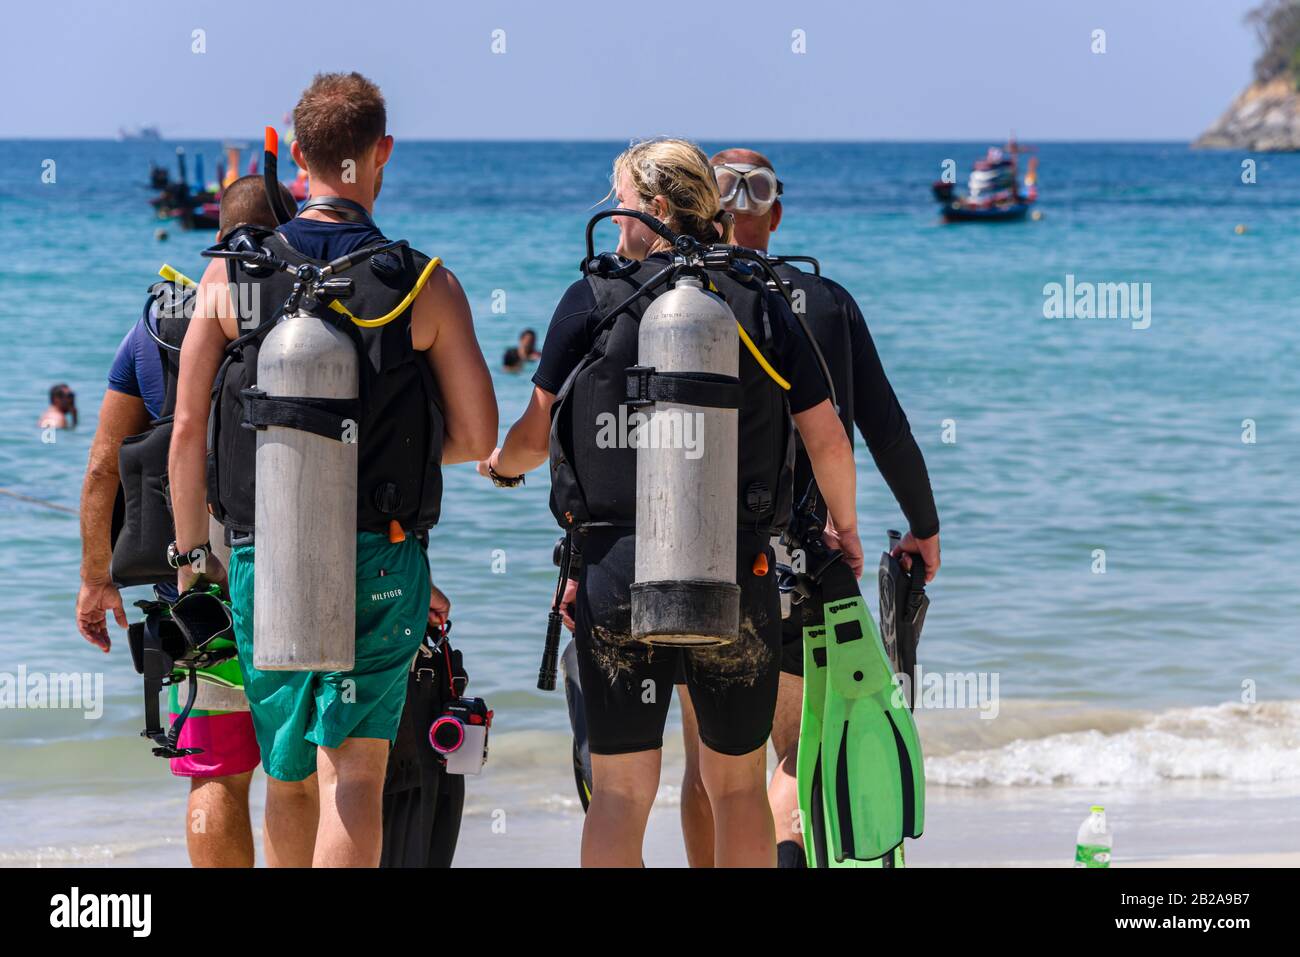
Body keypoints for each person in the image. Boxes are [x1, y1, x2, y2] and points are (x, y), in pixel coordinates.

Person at [480, 138, 860, 867]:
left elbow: (532, 436)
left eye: (621, 204)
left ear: (655, 209)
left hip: (612, 575)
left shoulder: (589, 298)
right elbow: (828, 439)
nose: (614, 221)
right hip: (737, 571)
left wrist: (500, 468)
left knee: (621, 792)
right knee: (737, 788)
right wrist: (845, 529)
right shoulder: (759, 299)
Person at [168, 72, 497, 868]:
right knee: (356, 774)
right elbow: (477, 433)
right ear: (381, 153)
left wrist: (189, 564)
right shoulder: (425, 284)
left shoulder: (228, 278)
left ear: (297, 155)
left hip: (260, 555)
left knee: (286, 776)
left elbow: (186, 432)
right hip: (381, 554)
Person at [674, 148, 942, 868]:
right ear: (776, 215)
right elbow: (884, 429)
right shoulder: (822, 302)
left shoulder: (668, 300)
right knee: (797, 753)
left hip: (687, 565)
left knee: (707, 767)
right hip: (799, 565)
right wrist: (923, 527)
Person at [75, 175, 292, 867]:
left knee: (215, 776)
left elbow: (105, 464)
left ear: (216, 237)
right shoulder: (307, 312)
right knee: (302, 774)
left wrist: (94, 577)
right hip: (298, 572)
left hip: (193, 583)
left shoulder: (155, 326)